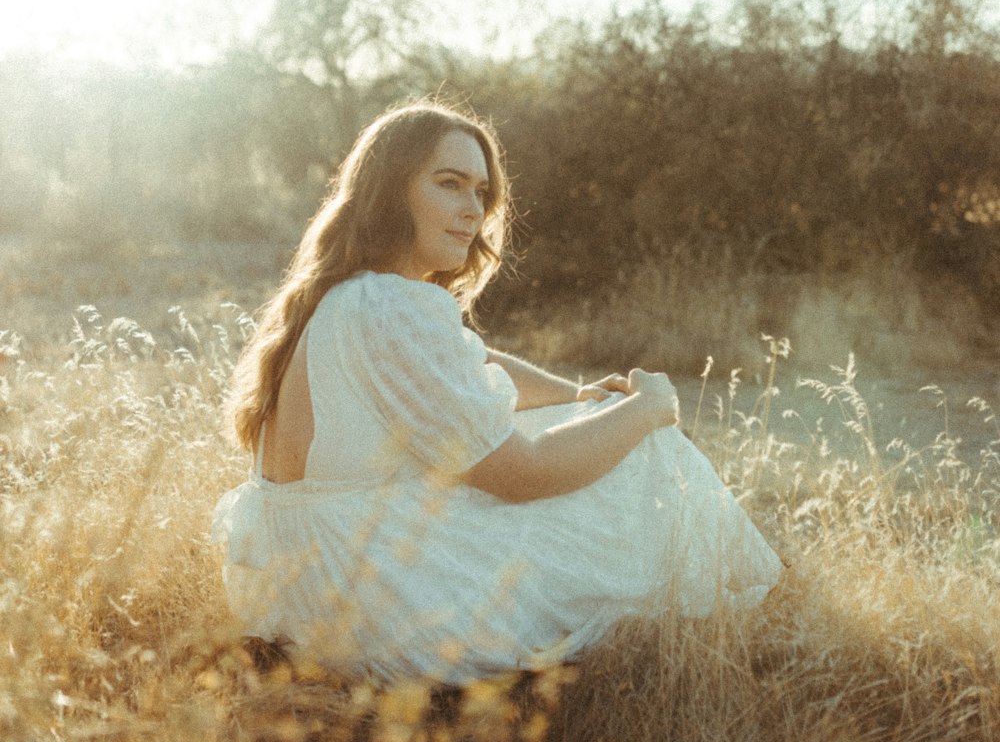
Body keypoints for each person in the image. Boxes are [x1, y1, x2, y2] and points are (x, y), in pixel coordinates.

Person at [211, 101, 782, 682]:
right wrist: (649, 410)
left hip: (309, 599)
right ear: (389, 192)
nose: (472, 211)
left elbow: (473, 361)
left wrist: (579, 394)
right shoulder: (392, 307)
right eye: (449, 184)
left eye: (481, 192)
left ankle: (712, 605)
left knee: (600, 418)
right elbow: (520, 474)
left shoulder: (342, 296)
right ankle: (749, 620)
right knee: (645, 448)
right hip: (382, 612)